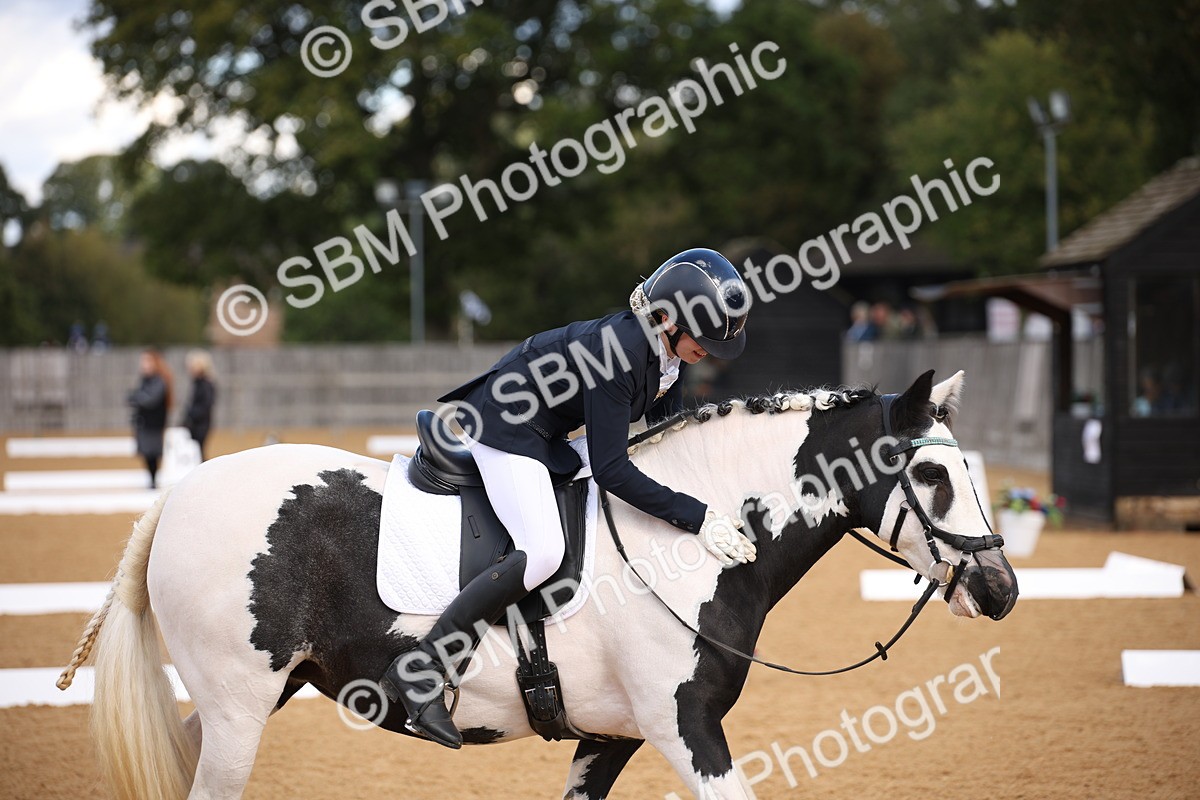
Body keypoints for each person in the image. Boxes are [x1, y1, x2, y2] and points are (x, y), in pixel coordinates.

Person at [380, 248, 758, 749]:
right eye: (701, 340)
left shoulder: (666, 352)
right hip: (507, 427)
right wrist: (696, 516)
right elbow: (612, 469)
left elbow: (663, 434)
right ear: (667, 321)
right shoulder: (621, 353)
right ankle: (424, 667)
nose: (708, 352)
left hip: (549, 432)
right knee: (542, 552)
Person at [128, 349, 173, 488]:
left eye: (146, 361)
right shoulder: (146, 380)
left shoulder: (159, 380)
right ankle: (151, 479)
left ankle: (153, 479)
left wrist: (137, 398)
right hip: (145, 422)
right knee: (147, 452)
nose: (143, 364)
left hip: (154, 423)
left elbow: (149, 399)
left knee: (152, 452)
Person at [183, 350, 217, 461]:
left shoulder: (206, 384)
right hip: (195, 423)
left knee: (199, 451)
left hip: (201, 424)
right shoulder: (197, 383)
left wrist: (192, 414)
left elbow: (206, 404)